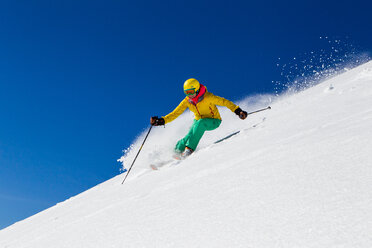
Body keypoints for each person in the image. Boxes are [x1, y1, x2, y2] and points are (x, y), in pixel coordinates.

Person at [151, 78, 248, 158]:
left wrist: (238, 111)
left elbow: (225, 102)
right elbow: (175, 113)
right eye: (186, 92)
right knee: (188, 136)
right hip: (198, 121)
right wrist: (162, 121)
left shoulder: (208, 97)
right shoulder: (187, 101)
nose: (189, 95)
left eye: (191, 92)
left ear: (197, 89)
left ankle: (189, 149)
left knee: (201, 123)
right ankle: (175, 152)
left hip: (214, 121)